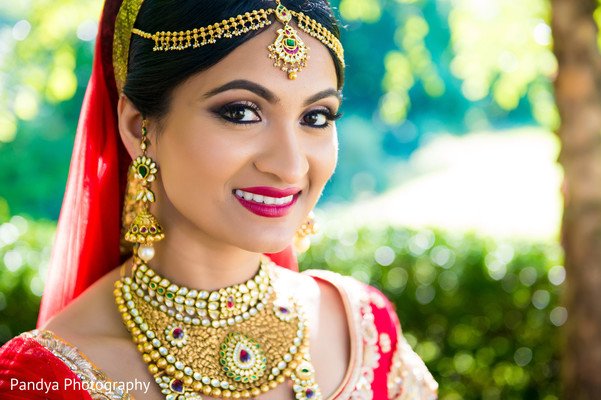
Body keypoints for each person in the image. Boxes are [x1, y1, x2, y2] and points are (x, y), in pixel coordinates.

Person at [0, 0, 438, 398]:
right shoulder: (48, 377)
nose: (290, 166)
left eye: (316, 116)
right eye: (241, 112)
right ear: (139, 128)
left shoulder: (363, 330)